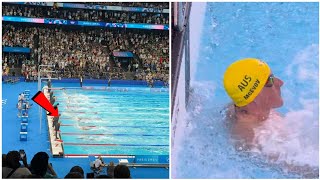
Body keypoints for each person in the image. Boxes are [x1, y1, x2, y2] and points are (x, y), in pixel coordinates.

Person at [223, 58, 284, 150]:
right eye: (270, 80)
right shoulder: (254, 140)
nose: (280, 82)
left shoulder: (249, 109)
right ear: (253, 99)